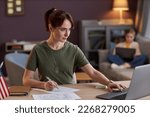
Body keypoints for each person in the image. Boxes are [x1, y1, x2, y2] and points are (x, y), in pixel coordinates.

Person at [23, 8, 125, 92]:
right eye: (63, 29)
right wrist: (43, 84)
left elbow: (92, 73)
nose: (67, 34)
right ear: (51, 28)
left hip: (71, 94)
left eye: (69, 29)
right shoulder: (38, 49)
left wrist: (109, 82)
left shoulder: (74, 49)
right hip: (49, 95)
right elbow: (26, 80)